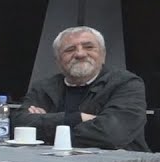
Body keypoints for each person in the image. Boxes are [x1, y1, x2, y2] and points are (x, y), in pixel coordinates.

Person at [11, 26, 148, 151]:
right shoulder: (43, 87)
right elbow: (17, 126)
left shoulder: (126, 84)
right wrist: (78, 118)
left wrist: (45, 123)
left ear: (103, 55)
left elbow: (113, 134)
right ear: (58, 60)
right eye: (70, 50)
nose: (80, 54)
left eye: (89, 47)